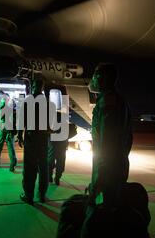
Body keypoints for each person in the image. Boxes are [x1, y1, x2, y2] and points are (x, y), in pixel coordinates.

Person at [87, 63, 133, 205]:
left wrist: (97, 180)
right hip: (118, 164)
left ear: (102, 78)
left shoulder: (107, 101)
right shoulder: (119, 99)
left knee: (106, 211)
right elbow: (128, 137)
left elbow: (106, 142)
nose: (93, 80)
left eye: (95, 76)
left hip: (108, 170)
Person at [18, 78, 50, 204]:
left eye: (36, 84)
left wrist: (20, 135)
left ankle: (28, 195)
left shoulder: (28, 101)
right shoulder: (47, 102)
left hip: (31, 138)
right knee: (43, 166)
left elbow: (22, 119)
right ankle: (42, 195)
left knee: (30, 167)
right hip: (43, 138)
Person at [48, 111, 77, 185]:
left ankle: (50, 177)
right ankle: (57, 178)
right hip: (62, 145)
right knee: (60, 162)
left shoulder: (51, 121)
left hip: (53, 144)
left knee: (50, 161)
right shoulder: (64, 121)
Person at [0, 97, 17, 172]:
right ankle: (12, 165)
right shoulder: (11, 110)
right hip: (9, 130)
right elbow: (15, 120)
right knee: (11, 148)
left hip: (1, 130)